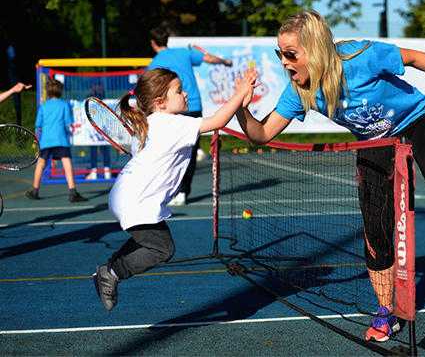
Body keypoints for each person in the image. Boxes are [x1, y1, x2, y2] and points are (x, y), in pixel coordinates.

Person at [234, 10, 425, 342]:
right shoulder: (298, 92)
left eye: (291, 54)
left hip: (417, 118)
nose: (285, 62)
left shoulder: (361, 56)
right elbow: (262, 134)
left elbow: (414, 58)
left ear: (315, 48)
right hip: (376, 141)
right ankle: (385, 312)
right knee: (376, 228)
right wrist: (240, 107)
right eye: (281, 55)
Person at [92, 67, 256, 311]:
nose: (185, 94)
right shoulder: (171, 123)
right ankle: (111, 272)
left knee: (151, 241)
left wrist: (241, 98)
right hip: (137, 200)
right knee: (162, 248)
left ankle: (110, 269)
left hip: (127, 196)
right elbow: (218, 121)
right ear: (160, 102)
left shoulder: (150, 123)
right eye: (178, 91)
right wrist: (240, 91)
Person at [148, 25, 233, 206]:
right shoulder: (184, 53)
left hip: (172, 110)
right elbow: (210, 58)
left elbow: (150, 91)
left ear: (153, 44)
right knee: (189, 153)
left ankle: (174, 190)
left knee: (171, 151)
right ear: (166, 40)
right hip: (193, 106)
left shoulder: (154, 63)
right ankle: (182, 191)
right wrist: (225, 62)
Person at [25, 78, 88, 202]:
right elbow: (68, 123)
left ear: (48, 92)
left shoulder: (43, 106)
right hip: (61, 139)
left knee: (41, 164)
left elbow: (38, 126)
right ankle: (72, 192)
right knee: (67, 164)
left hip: (46, 141)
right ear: (60, 91)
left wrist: (37, 140)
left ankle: (35, 190)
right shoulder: (64, 105)